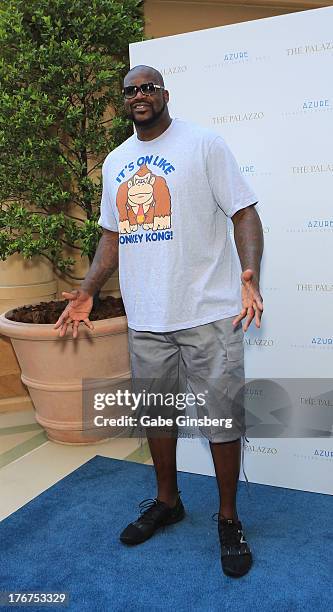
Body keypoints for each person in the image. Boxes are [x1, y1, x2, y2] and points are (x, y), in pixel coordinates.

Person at [54, 65, 264, 578]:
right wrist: (86, 290)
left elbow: (244, 212)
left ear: (164, 94)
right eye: (131, 91)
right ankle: (168, 501)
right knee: (156, 417)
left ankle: (228, 516)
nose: (140, 96)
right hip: (146, 314)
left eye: (148, 88)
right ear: (124, 102)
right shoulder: (116, 161)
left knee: (220, 419)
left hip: (207, 311)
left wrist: (249, 273)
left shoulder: (203, 144)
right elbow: (111, 236)